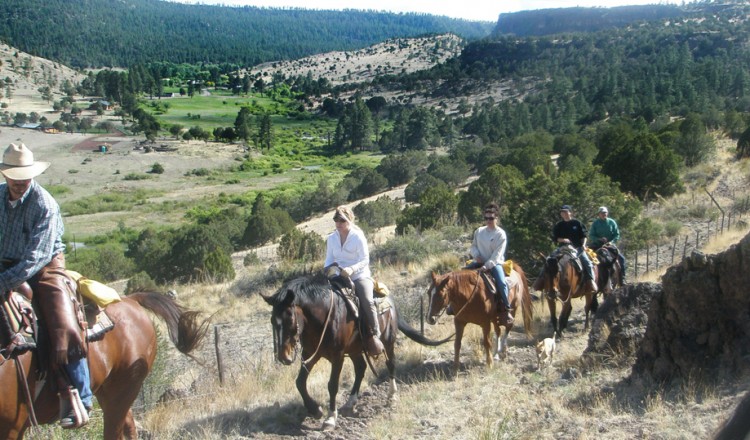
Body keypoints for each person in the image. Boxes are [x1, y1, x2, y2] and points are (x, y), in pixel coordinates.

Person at [0, 143, 92, 428]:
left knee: (61, 318)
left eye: (24, 177)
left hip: (44, 266)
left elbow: (35, 258)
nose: (18, 183)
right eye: (14, 177)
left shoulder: (44, 204)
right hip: (3, 263)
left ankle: (80, 396)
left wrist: (3, 282)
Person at [323, 206, 384, 357]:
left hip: (359, 275)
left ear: (349, 220)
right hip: (338, 275)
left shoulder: (357, 236)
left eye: (342, 220)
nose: (339, 223)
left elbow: (365, 259)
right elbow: (329, 260)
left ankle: (375, 333)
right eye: (336, 220)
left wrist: (352, 269)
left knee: (367, 300)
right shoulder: (331, 238)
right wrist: (328, 270)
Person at [466, 203, 513, 325]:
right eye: (486, 218)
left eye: (491, 218)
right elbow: (473, 246)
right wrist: (476, 255)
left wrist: (486, 266)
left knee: (501, 283)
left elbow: (497, 255)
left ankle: (507, 309)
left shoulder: (500, 234)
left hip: (494, 264)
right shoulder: (479, 231)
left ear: (496, 218)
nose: (488, 221)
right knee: (461, 274)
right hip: (478, 261)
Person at [552, 205, 597, 292]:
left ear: (570, 212)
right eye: (562, 212)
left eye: (566, 211)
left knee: (587, 262)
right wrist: (563, 239)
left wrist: (583, 245)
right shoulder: (559, 225)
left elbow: (584, 236)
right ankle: (540, 281)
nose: (564, 213)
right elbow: (555, 238)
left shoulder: (577, 223)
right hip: (563, 248)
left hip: (577, 248)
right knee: (549, 260)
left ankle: (590, 281)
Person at [588, 206, 627, 284]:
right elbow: (591, 235)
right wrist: (598, 239)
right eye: (602, 213)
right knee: (587, 257)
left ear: (607, 213)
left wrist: (611, 242)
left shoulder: (612, 222)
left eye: (605, 213)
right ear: (599, 214)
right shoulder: (595, 223)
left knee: (621, 259)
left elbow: (617, 234)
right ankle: (588, 279)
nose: (603, 214)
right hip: (597, 245)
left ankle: (622, 278)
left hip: (609, 245)